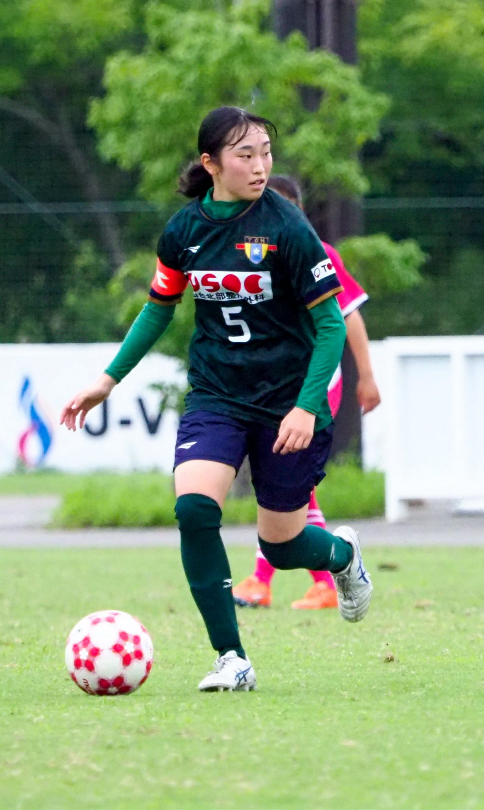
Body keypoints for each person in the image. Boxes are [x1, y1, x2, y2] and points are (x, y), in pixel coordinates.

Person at [61, 107, 373, 693]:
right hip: (217, 395)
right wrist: (107, 379)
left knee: (280, 549)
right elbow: (159, 307)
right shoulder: (184, 231)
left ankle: (341, 555)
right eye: (245, 155)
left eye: (265, 153)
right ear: (210, 164)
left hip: (289, 403)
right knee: (195, 510)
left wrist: (306, 406)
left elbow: (331, 326)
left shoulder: (288, 227)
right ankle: (232, 657)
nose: (260, 166)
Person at [232, 174, 381, 611]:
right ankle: (310, 579)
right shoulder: (247, 257)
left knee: (286, 478)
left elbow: (348, 315)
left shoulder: (319, 254)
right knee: (284, 483)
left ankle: (291, 579)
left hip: (315, 388)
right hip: (272, 390)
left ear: (294, 212)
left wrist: (366, 376)